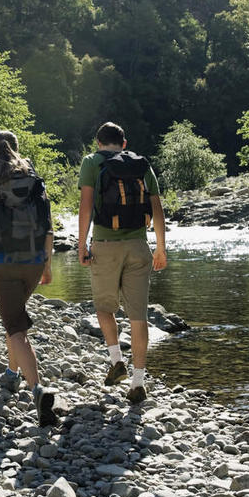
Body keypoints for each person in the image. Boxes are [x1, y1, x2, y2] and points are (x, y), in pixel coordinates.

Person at [0, 130, 57, 426]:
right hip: (33, 260)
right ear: (17, 150)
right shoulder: (34, 182)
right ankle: (11, 372)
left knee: (15, 327)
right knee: (13, 316)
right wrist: (47, 263)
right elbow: (47, 224)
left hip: (1, 262)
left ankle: (37, 389)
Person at [78, 121, 167, 404]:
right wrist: (161, 248)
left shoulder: (91, 162)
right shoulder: (141, 164)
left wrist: (82, 244)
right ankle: (138, 382)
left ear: (98, 142)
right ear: (124, 144)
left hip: (105, 246)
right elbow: (157, 207)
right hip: (139, 247)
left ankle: (117, 361)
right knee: (138, 316)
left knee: (104, 307)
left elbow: (86, 206)